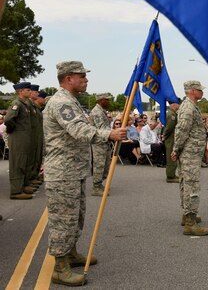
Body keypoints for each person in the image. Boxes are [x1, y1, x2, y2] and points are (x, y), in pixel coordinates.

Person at [43, 61, 127, 286]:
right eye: (81, 76)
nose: (86, 79)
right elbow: (79, 130)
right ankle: (60, 268)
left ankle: (70, 253)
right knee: (64, 220)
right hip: (63, 172)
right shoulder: (62, 102)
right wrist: (110, 134)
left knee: (75, 216)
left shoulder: (71, 101)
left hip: (72, 170)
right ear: (69, 78)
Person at [172, 81, 208, 236]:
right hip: (190, 153)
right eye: (200, 90)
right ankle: (190, 222)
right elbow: (182, 130)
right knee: (191, 185)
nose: (202, 92)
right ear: (193, 91)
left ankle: (187, 214)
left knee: (186, 183)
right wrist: (176, 148)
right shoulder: (188, 107)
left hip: (190, 152)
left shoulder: (190, 105)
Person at [4, 81, 35, 199]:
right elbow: (8, 119)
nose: (30, 91)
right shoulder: (17, 103)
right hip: (18, 137)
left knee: (23, 162)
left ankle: (21, 187)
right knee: (18, 163)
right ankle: (16, 191)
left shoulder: (24, 104)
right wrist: (13, 130)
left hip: (23, 138)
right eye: (28, 90)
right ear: (20, 91)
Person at [89, 93, 113, 196]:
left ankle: (99, 184)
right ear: (101, 100)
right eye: (106, 100)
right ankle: (96, 187)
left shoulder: (101, 111)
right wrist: (113, 133)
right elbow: (102, 129)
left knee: (105, 165)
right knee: (99, 165)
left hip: (104, 141)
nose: (108, 102)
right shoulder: (97, 112)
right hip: (99, 142)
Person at [162, 98, 181, 182]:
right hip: (170, 138)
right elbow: (169, 128)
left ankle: (172, 174)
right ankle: (170, 176)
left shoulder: (173, 113)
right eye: (178, 104)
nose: (179, 106)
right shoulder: (171, 115)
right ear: (174, 104)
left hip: (172, 137)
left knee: (173, 156)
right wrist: (164, 136)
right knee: (171, 157)